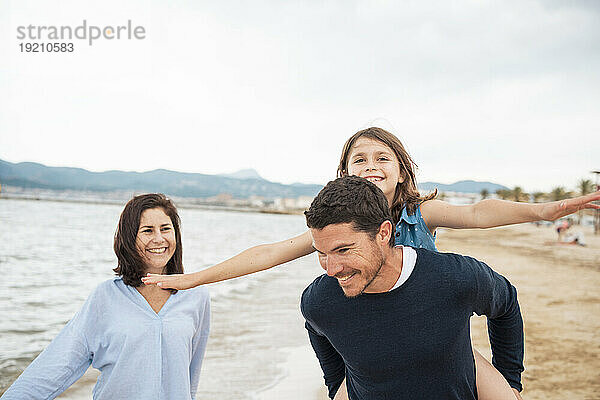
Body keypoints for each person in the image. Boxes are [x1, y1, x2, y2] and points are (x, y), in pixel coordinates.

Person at [142, 127, 600, 398]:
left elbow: (479, 213)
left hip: (440, 341)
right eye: (359, 158)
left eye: (383, 157)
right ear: (345, 172)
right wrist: (192, 279)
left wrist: (541, 212)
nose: (371, 165)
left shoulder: (419, 214)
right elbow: (267, 254)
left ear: (402, 170)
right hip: (367, 343)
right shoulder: (335, 227)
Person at [302, 175, 523, 399]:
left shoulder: (455, 278)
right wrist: (336, 386)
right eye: (322, 252)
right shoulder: (319, 300)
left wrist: (510, 380)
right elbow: (315, 327)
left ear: (383, 233)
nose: (331, 269)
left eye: (343, 250)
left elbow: (506, 304)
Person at [1, 194, 210, 400]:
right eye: (147, 230)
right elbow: (59, 362)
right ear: (129, 238)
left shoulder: (196, 295)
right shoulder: (105, 297)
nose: (159, 238)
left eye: (166, 229)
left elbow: (191, 373)